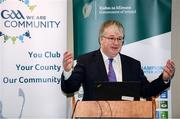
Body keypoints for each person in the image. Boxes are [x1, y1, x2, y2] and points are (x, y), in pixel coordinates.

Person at [61, 20, 175, 100]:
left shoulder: (133, 65)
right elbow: (70, 88)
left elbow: (146, 91)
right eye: (111, 38)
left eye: (119, 38)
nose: (116, 42)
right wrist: (67, 72)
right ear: (101, 39)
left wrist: (164, 79)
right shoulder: (85, 61)